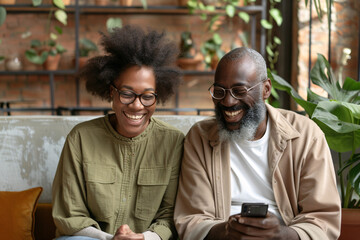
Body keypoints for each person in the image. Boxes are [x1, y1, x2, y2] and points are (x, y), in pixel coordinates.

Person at [174, 47, 341, 240]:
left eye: (239, 91)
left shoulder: (306, 136)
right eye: (219, 91)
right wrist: (229, 231)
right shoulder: (200, 138)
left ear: (266, 89)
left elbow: (323, 219)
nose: (228, 102)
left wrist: (280, 235)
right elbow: (192, 218)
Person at [52, 25, 184, 240]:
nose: (137, 106)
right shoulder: (81, 138)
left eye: (148, 96)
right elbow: (69, 215)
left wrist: (142, 238)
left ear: (158, 97)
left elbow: (170, 217)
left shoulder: (173, 141)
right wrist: (110, 239)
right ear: (112, 92)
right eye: (127, 94)